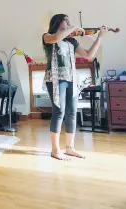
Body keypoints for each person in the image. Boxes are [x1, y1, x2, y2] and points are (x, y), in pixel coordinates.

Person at [42, 14, 107, 160]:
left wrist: (99, 37)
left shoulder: (72, 40)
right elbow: (57, 38)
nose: (70, 23)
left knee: (71, 112)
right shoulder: (47, 36)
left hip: (71, 79)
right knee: (59, 111)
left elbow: (89, 55)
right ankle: (55, 150)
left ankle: (70, 148)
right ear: (58, 22)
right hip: (55, 79)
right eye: (67, 21)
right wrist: (74, 27)